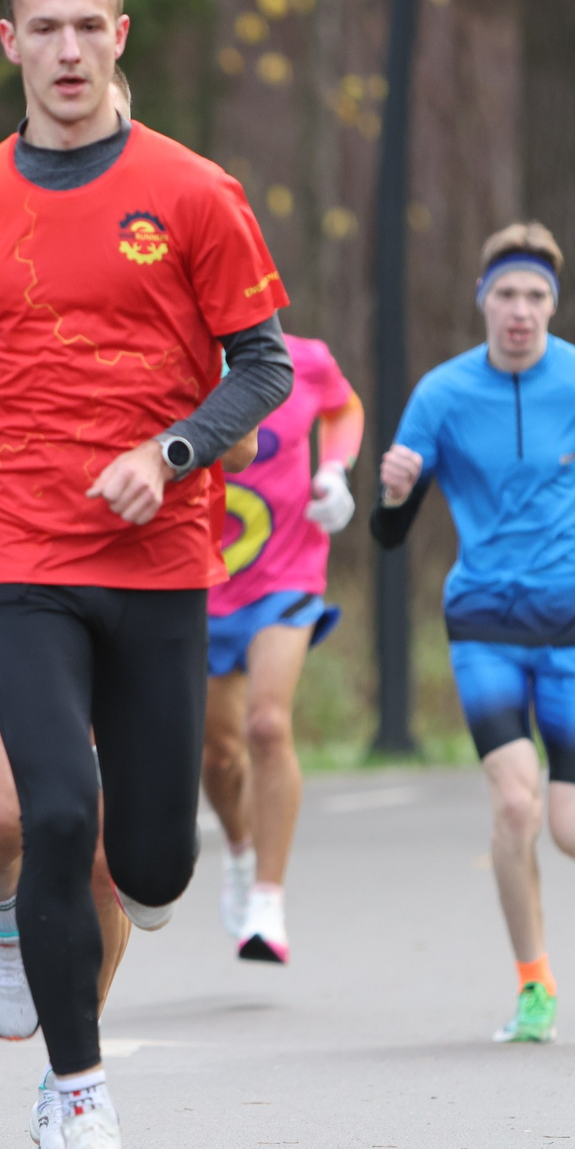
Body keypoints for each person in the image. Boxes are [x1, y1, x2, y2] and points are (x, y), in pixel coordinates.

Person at [0, 0, 294, 1149]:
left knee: (149, 863)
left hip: (158, 557)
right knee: (51, 818)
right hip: (17, 548)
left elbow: (262, 368)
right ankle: (82, 1102)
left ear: (119, 35)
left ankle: (120, 936)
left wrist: (171, 451)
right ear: (9, 44)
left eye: (84, 24)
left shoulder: (196, 192)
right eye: (39, 26)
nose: (63, 47)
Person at [370, 222, 575, 1046]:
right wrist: (394, 493)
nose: (521, 311)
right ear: (482, 302)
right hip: (484, 627)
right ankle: (534, 983)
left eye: (536, 296)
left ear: (553, 306)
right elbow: (391, 537)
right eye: (506, 294)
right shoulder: (442, 394)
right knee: (512, 802)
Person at [201, 335, 363, 964]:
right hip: (203, 579)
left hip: (287, 573)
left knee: (268, 724)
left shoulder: (308, 358)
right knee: (218, 757)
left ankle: (267, 899)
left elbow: (344, 407)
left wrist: (334, 469)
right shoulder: (171, 350)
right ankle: (241, 851)